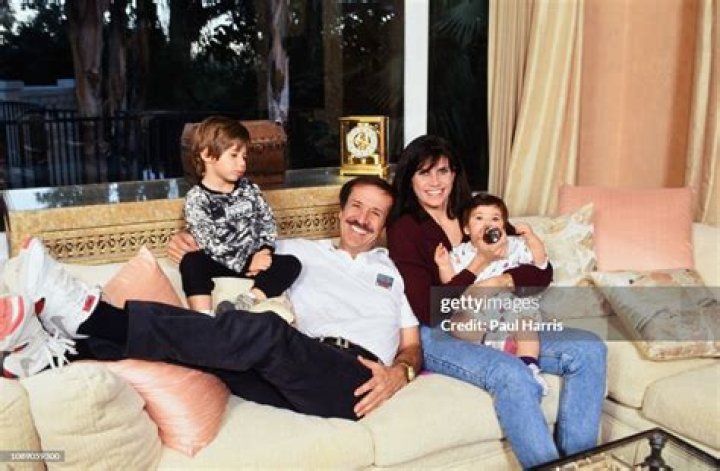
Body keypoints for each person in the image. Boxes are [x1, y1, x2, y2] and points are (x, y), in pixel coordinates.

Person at [1, 176, 421, 420]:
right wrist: (191, 246)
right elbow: (233, 254)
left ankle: (94, 317)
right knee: (202, 352)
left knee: (266, 332)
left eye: (375, 213)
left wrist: (399, 374)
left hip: (355, 380)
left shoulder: (391, 273)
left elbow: (413, 346)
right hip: (295, 369)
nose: (362, 219)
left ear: (384, 225)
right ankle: (47, 356)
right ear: (341, 210)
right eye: (357, 206)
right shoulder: (297, 250)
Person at [387, 134, 607, 468]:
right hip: (440, 332)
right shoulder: (405, 227)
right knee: (511, 372)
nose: (435, 182)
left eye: (443, 171)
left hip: (499, 318)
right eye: (424, 173)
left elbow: (540, 273)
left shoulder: (475, 211)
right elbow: (428, 309)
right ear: (410, 178)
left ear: (454, 174)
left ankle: (580, 463)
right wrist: (479, 264)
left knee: (589, 349)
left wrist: (500, 280)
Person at [181, 116, 300, 313]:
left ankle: (247, 301)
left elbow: (267, 221)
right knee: (192, 262)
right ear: (207, 154)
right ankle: (204, 316)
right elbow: (209, 242)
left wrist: (264, 251)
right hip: (221, 260)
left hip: (255, 259)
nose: (242, 163)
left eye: (244, 157)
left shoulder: (249, 189)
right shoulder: (196, 198)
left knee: (291, 264)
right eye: (234, 155)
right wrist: (245, 262)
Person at [434, 193, 549, 395]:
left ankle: (529, 366)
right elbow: (452, 286)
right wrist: (444, 266)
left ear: (503, 226)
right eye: (479, 218)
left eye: (495, 219)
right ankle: (490, 350)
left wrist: (531, 238)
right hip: (477, 313)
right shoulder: (460, 253)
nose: (487, 224)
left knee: (526, 325)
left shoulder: (514, 245)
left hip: (511, 307)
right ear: (466, 229)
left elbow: (541, 264)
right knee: (458, 324)